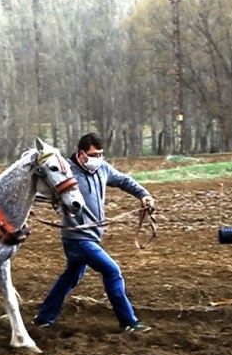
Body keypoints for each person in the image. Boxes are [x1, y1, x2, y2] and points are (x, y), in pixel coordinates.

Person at [32, 132, 155, 332]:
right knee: (112, 271)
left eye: (101, 154)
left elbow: (124, 180)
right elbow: (45, 187)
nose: (98, 158)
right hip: (77, 237)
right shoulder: (67, 171)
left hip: (92, 237)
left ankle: (44, 317)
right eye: (94, 154)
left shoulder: (102, 169)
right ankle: (129, 322)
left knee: (71, 277)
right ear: (81, 154)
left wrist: (144, 194)